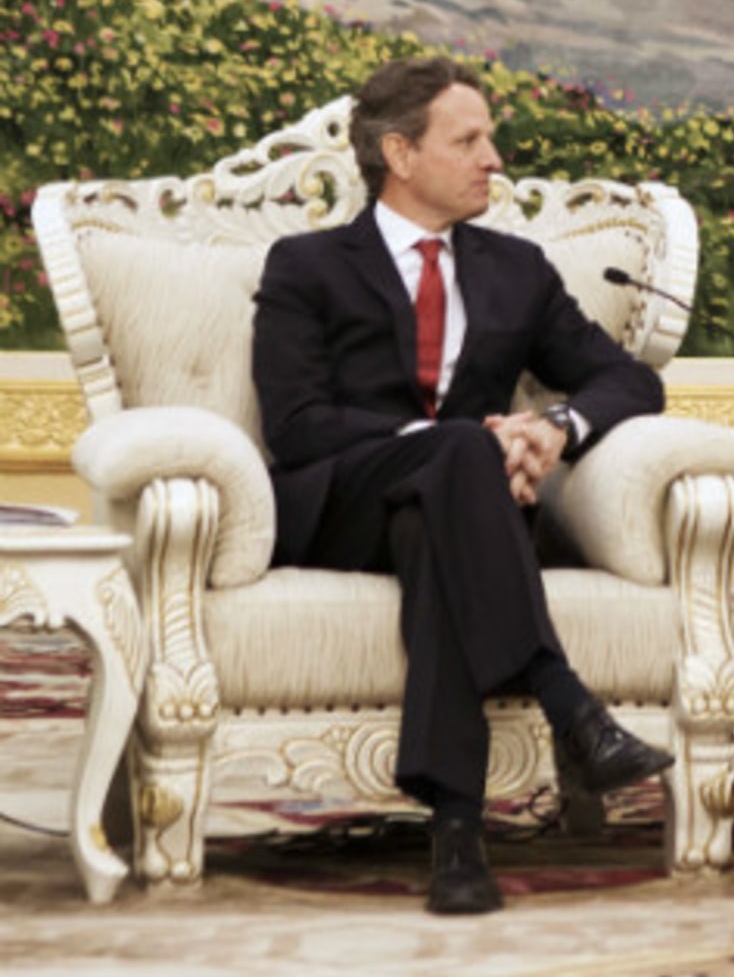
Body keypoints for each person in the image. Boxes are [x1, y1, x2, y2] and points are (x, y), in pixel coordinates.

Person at [252, 56, 674, 915]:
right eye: (470, 140)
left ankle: (458, 838)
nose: (494, 160)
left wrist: (555, 430)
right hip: (340, 507)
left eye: (492, 140)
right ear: (401, 155)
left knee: (437, 520)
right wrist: (456, 443)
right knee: (456, 457)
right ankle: (567, 703)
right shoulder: (308, 266)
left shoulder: (518, 270)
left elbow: (630, 383)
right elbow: (297, 426)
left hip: (458, 517)